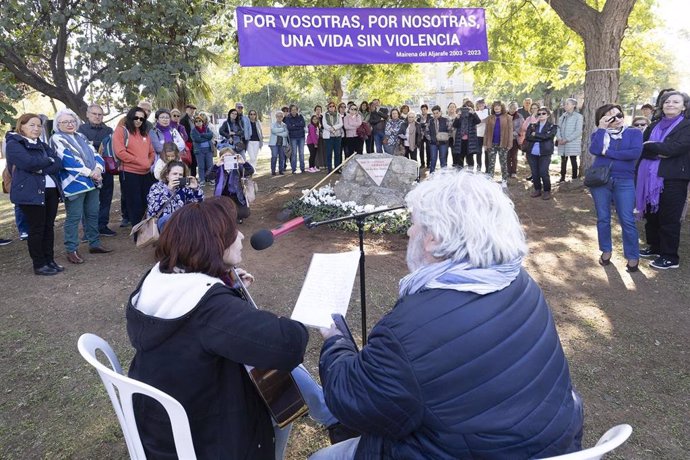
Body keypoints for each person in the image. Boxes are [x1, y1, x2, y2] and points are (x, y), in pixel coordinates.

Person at [311, 169, 584, 459]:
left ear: (435, 238)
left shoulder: (412, 330)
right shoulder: (520, 281)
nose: (409, 232)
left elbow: (355, 402)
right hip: (551, 445)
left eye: (414, 224)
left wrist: (335, 341)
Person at [127, 196, 337, 459]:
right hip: (201, 436)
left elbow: (201, 329)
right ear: (212, 245)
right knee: (280, 391)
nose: (240, 236)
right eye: (231, 232)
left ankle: (331, 415)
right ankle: (335, 417)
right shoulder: (209, 309)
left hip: (159, 421)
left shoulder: (155, 279)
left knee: (282, 394)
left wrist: (227, 284)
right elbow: (289, 345)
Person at [637, 90, 690, 269]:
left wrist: (653, 148)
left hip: (673, 178)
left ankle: (669, 257)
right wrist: (657, 150)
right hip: (649, 177)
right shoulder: (654, 125)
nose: (670, 104)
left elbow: (675, 148)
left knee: (669, 217)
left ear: (683, 107)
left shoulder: (687, 126)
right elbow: (641, 148)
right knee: (652, 214)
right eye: (667, 101)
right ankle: (655, 246)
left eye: (675, 102)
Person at [51, 109, 112, 264]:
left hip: (92, 181)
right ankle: (71, 249)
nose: (70, 124)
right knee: (74, 217)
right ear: (58, 124)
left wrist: (98, 169)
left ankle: (95, 243)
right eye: (65, 122)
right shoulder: (57, 138)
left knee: (92, 213)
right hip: (74, 184)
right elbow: (67, 161)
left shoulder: (81, 136)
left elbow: (96, 154)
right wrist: (90, 172)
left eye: (72, 121)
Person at [5, 114, 64, 275]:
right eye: (32, 125)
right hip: (30, 192)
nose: (36, 129)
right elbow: (28, 163)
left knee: (48, 227)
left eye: (39, 126)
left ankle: (50, 260)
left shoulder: (43, 145)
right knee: (37, 228)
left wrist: (42, 166)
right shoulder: (13, 144)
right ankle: (39, 264)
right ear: (21, 126)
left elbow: (57, 163)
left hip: (51, 191)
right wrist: (48, 161)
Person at [589, 104, 643, 272]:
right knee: (603, 218)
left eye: (619, 115)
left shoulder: (634, 133)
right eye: (611, 117)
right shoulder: (598, 134)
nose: (617, 119)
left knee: (627, 219)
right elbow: (595, 149)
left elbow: (633, 154)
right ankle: (606, 251)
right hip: (601, 181)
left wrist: (608, 153)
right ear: (602, 120)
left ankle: (633, 256)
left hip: (624, 180)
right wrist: (601, 129)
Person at [78, 103, 116, 236]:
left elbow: (111, 146)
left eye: (100, 114)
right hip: (88, 171)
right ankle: (89, 230)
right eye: (94, 114)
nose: (97, 116)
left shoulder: (108, 130)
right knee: (88, 201)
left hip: (106, 169)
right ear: (88, 114)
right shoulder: (80, 130)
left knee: (106, 198)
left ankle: (102, 226)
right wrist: (97, 145)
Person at [114, 107, 156, 228]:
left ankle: (147, 229)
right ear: (130, 117)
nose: (138, 120)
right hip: (129, 173)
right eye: (135, 117)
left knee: (146, 202)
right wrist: (141, 162)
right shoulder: (121, 131)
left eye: (142, 119)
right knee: (134, 204)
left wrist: (148, 162)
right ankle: (137, 230)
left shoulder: (144, 134)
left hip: (146, 173)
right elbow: (120, 152)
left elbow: (151, 152)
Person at [146, 160, 203, 230]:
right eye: (174, 174)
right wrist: (168, 190)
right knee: (170, 219)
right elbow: (153, 210)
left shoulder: (184, 188)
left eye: (180, 174)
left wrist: (196, 189)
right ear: (167, 175)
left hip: (183, 221)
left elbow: (199, 205)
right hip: (162, 222)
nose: (177, 177)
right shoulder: (157, 187)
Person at [214, 147, 255, 222]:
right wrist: (217, 165)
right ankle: (226, 217)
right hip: (223, 195)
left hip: (237, 195)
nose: (227, 158)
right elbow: (208, 176)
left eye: (230, 156)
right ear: (221, 157)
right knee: (220, 214)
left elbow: (250, 171)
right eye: (224, 156)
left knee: (245, 213)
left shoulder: (238, 166)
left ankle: (235, 215)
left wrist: (244, 163)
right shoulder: (219, 168)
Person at [525, 107, 557, 200]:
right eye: (539, 114)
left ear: (548, 115)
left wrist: (536, 135)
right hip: (532, 153)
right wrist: (541, 137)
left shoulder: (552, 126)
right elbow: (528, 137)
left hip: (545, 153)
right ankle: (537, 189)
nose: (541, 115)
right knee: (535, 172)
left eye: (543, 113)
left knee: (543, 172)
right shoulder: (532, 125)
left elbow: (548, 137)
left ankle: (547, 191)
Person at [483, 101, 513, 188]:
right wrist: (485, 144)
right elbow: (486, 132)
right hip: (491, 143)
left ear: (502, 107)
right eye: (495, 106)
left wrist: (510, 144)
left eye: (498, 106)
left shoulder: (508, 117)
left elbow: (510, 132)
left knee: (503, 163)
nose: (496, 108)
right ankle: (490, 179)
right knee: (491, 163)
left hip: (503, 144)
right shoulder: (490, 118)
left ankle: (504, 180)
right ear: (493, 108)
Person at [557, 98, 584, 183]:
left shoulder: (578, 117)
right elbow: (558, 128)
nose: (565, 105)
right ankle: (562, 177)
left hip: (572, 142)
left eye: (567, 104)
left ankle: (574, 178)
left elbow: (578, 131)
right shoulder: (562, 116)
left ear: (573, 105)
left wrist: (567, 139)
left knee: (573, 159)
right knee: (563, 160)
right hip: (562, 142)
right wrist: (559, 138)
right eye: (565, 104)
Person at [190, 113, 215, 186]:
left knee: (210, 165)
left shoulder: (207, 128)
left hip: (208, 150)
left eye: (200, 121)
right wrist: (205, 137)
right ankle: (202, 180)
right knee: (201, 166)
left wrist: (202, 135)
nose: (198, 122)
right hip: (199, 151)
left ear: (202, 122)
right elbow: (196, 139)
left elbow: (210, 136)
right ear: (194, 123)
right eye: (196, 121)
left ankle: (210, 179)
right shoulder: (193, 131)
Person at [427, 105, 451, 172]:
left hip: (443, 143)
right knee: (433, 159)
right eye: (434, 113)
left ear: (440, 112)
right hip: (433, 143)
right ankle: (432, 175)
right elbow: (426, 131)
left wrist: (446, 137)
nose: (435, 115)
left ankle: (444, 177)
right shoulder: (430, 121)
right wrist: (430, 138)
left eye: (437, 113)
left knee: (443, 159)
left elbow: (450, 130)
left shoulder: (446, 120)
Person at [323, 102, 343, 173]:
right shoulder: (325, 115)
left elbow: (341, 124)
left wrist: (334, 128)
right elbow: (324, 124)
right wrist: (331, 129)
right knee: (329, 153)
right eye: (330, 106)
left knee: (337, 153)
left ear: (335, 107)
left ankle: (337, 169)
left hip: (337, 136)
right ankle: (329, 169)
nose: (332, 107)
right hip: (329, 137)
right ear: (328, 107)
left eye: (333, 106)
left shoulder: (338, 115)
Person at [285, 104, 306, 173]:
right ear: (290, 111)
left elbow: (303, 124)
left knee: (301, 153)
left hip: (301, 137)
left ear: (297, 110)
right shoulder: (288, 118)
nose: (294, 111)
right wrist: (298, 125)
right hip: (293, 137)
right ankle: (294, 169)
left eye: (295, 110)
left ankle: (302, 168)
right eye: (292, 110)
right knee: (294, 153)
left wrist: (294, 125)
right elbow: (289, 127)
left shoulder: (300, 116)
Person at [507, 101, 524, 177]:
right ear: (508, 107)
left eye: (514, 108)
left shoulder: (519, 116)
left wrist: (515, 132)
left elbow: (522, 127)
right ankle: (508, 171)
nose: (512, 109)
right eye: (511, 108)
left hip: (515, 139)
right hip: (506, 139)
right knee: (507, 156)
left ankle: (513, 172)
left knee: (514, 156)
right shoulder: (505, 115)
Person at [269, 111, 289, 176]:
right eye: (278, 116)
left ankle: (281, 170)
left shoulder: (284, 125)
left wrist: (277, 132)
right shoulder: (273, 124)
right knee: (274, 156)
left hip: (282, 143)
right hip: (274, 144)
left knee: (282, 157)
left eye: (281, 116)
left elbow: (286, 134)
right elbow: (273, 130)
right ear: (276, 117)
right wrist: (282, 130)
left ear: (283, 117)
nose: (279, 117)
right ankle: (273, 171)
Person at [475, 99, 489, 170]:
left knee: (487, 152)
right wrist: (482, 121)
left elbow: (489, 121)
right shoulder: (476, 113)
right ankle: (478, 167)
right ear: (477, 105)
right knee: (478, 152)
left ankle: (487, 168)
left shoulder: (488, 111)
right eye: (479, 104)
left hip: (487, 135)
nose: (481, 105)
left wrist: (481, 121)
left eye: (482, 104)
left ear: (484, 104)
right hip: (478, 135)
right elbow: (475, 124)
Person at [417, 104, 432, 168]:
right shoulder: (419, 118)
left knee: (428, 150)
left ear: (427, 110)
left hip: (428, 136)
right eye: (422, 109)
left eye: (424, 109)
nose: (423, 111)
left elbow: (431, 126)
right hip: (421, 136)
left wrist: (425, 125)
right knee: (421, 150)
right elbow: (417, 126)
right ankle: (422, 164)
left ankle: (428, 163)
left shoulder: (430, 117)